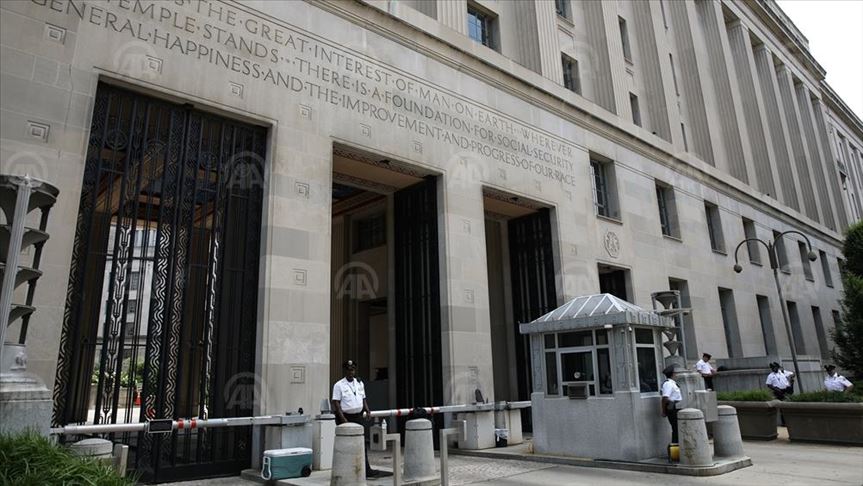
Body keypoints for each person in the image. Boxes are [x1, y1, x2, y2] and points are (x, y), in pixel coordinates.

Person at [332, 359, 379, 478]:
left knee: (361, 443)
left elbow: (363, 398)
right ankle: (347, 470)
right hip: (345, 417)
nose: (351, 372)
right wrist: (343, 419)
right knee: (347, 445)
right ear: (345, 371)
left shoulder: (359, 383)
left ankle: (366, 470)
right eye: (349, 370)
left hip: (358, 416)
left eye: (353, 369)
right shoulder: (339, 385)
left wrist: (367, 410)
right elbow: (336, 403)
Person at [660, 365, 683, 444]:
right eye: (675, 373)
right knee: (676, 428)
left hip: (677, 407)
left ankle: (677, 445)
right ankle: (675, 446)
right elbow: (665, 398)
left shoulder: (673, 383)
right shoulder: (668, 384)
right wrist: (664, 410)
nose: (676, 374)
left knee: (678, 428)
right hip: (672, 407)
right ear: (672, 374)